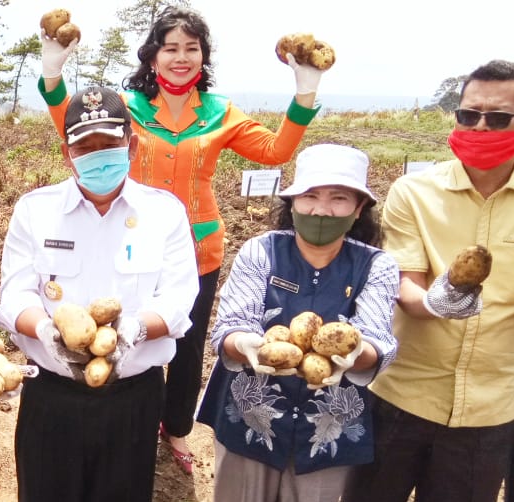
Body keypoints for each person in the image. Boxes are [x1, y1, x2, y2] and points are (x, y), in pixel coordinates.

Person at [39, 6, 325, 473]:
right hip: (129, 244)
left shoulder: (219, 113)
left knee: (188, 344)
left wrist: (305, 91)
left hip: (198, 249)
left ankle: (175, 428)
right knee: (126, 330)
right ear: (152, 56)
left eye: (191, 48)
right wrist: (52, 74)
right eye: (170, 48)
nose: (181, 57)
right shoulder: (128, 106)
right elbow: (71, 128)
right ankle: (123, 413)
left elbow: (276, 151)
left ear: (203, 57)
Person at [0, 85, 199, 502]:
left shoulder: (164, 212)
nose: (96, 157)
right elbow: (12, 296)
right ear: (67, 152)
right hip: (53, 398)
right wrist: (45, 329)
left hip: (131, 399)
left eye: (108, 145)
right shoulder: (35, 210)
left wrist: (132, 330)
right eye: (84, 147)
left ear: (131, 145)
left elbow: (178, 298)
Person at [332, 59, 514, 502]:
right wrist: (436, 302)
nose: (480, 128)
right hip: (402, 396)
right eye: (468, 115)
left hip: (489, 410)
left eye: (498, 119)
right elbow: (404, 285)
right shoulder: (416, 193)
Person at [194, 144, 399, 502]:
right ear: (292, 201)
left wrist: (352, 354)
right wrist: (247, 345)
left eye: (339, 198)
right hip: (250, 422)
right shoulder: (261, 251)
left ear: (360, 206)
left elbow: (379, 339)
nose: (322, 210)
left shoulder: (378, 266)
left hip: (327, 434)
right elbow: (229, 327)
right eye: (311, 196)